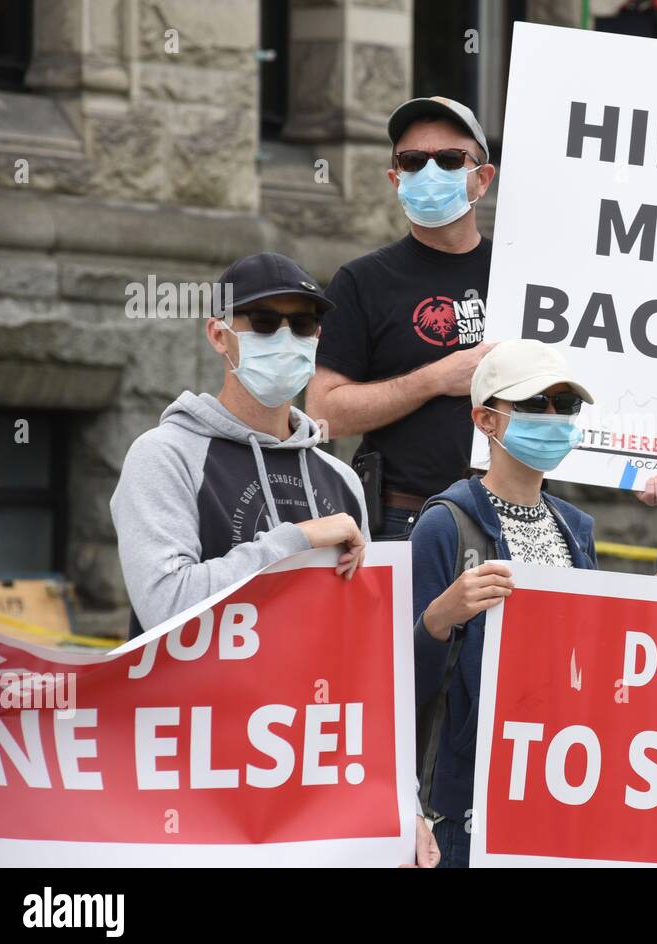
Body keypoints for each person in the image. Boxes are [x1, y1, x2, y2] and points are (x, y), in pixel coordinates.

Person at [110, 251, 438, 867]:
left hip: (307, 794)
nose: (285, 338)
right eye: (263, 322)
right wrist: (294, 540)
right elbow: (166, 606)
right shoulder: (164, 456)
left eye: (305, 323)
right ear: (219, 333)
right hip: (189, 788)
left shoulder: (340, 479)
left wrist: (404, 805)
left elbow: (368, 669)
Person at [306, 96, 657, 543]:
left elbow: (580, 392)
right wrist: (433, 379)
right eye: (412, 162)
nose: (429, 172)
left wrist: (632, 472)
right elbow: (323, 413)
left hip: (523, 518)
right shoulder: (362, 280)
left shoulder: (534, 280)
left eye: (449, 160)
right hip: (405, 520)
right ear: (396, 178)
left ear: (482, 179)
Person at [411, 340, 657, 867]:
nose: (552, 417)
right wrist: (438, 619)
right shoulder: (444, 524)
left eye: (564, 406)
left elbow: (592, 657)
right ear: (487, 420)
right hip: (468, 810)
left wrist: (654, 597)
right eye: (533, 403)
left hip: (557, 791)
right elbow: (394, 684)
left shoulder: (576, 528)